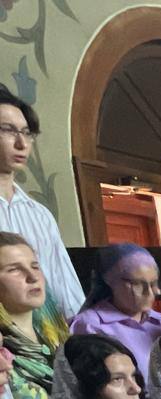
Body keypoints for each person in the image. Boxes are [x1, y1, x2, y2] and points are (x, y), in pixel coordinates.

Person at [0, 90, 85, 317]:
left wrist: (79, 331)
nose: (22, 143)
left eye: (27, 133)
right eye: (8, 130)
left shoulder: (40, 215)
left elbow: (64, 286)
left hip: (47, 331)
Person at [69, 244, 161, 388]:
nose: (150, 292)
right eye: (137, 283)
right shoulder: (89, 326)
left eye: (154, 283)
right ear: (109, 281)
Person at [0, 230, 69, 399]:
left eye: (35, 266)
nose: (32, 277)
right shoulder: (2, 355)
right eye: (14, 270)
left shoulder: (63, 341)